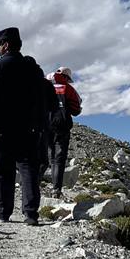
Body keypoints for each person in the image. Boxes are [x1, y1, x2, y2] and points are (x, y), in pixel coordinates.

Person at [0, 27, 45, 226]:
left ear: (5, 45)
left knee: (3, 172)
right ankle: (31, 214)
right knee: (28, 171)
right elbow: (41, 101)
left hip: (3, 130)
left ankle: (3, 212)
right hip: (29, 130)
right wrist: (40, 126)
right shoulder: (34, 69)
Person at [46, 66, 82, 198]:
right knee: (58, 159)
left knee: (46, 157)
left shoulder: (44, 86)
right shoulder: (67, 88)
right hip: (61, 126)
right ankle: (56, 190)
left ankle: (33, 185)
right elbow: (76, 110)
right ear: (66, 77)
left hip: (44, 125)